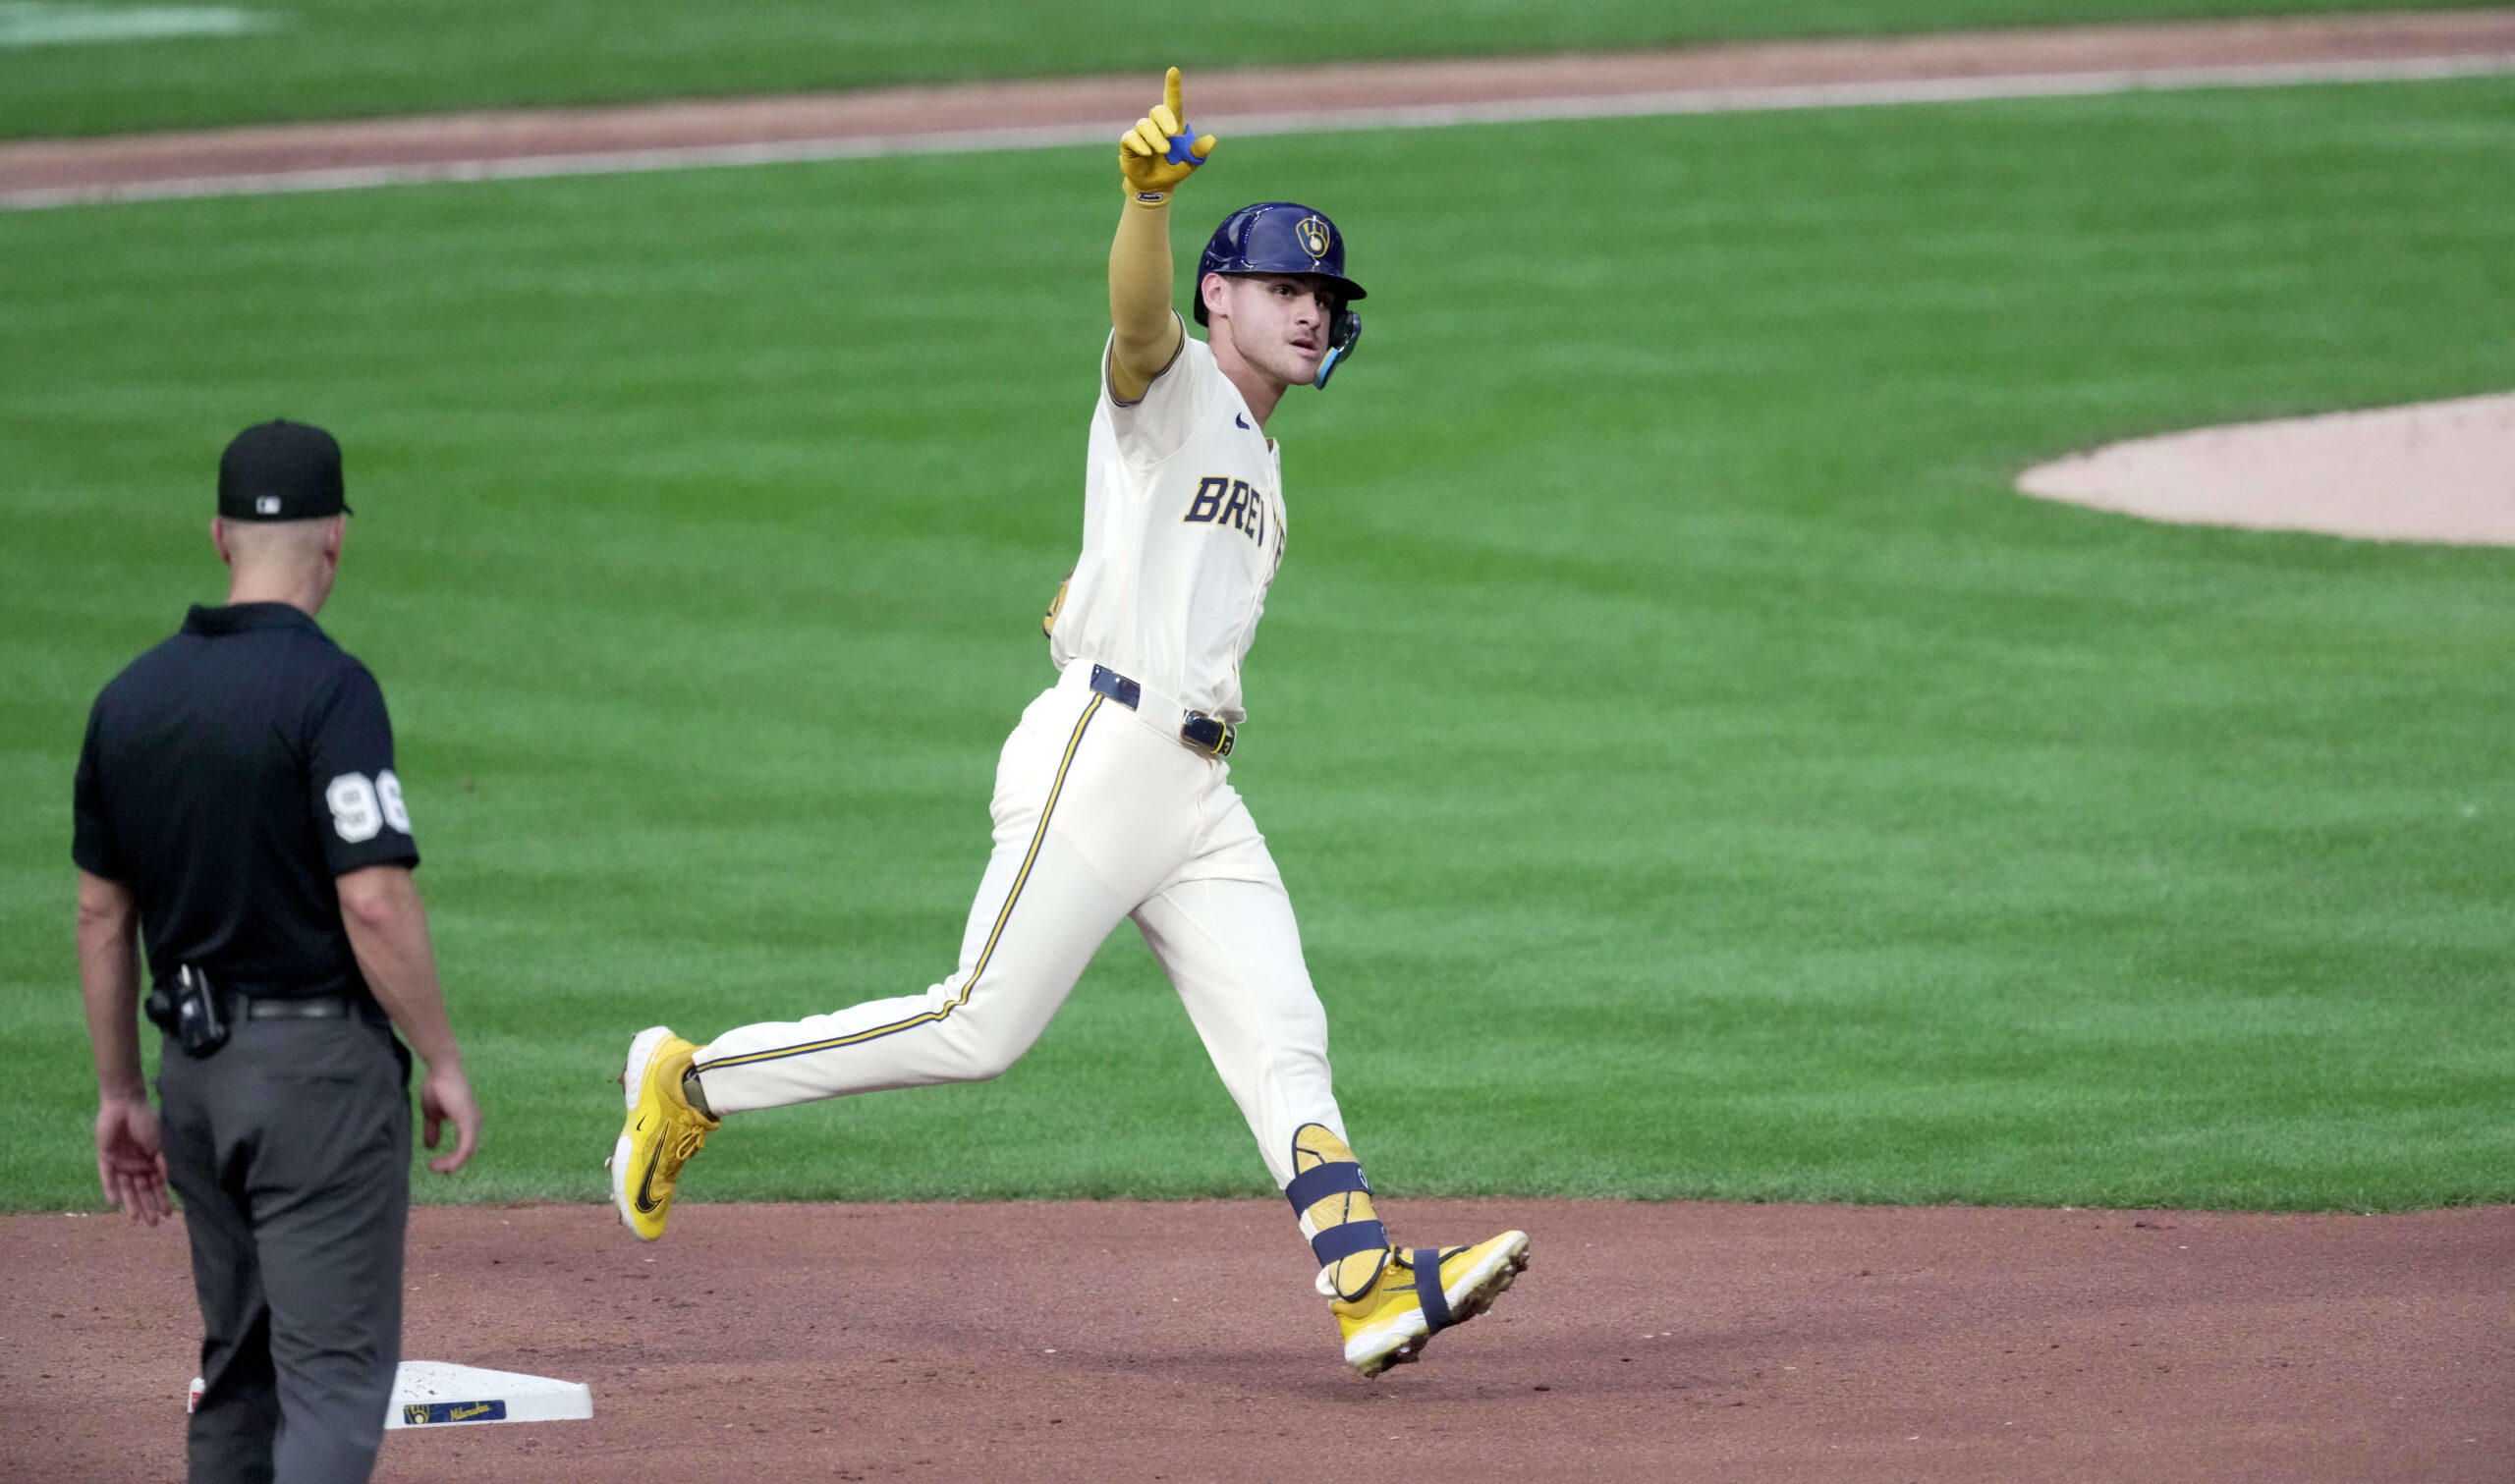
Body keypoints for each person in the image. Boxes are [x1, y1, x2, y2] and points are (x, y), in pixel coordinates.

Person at [610, 68, 1526, 1378]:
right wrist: (1144, 203)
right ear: (1224, 296)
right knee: (976, 1024)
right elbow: (1136, 322)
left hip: (1198, 789)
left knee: (1281, 1025)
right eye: (1286, 288)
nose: (1314, 309)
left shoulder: (1261, 455)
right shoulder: (1179, 389)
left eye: (1324, 296)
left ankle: (1364, 1277)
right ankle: (693, 1082)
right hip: (1106, 757)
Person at [74, 419, 482, 1482]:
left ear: (218, 536)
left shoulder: (129, 700)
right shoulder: (329, 691)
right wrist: (438, 1055)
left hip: (196, 1080)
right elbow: (377, 897)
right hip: (317, 1084)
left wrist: (122, 1089)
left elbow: (101, 918)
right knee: (334, 1383)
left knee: (238, 1371)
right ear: (335, 542)